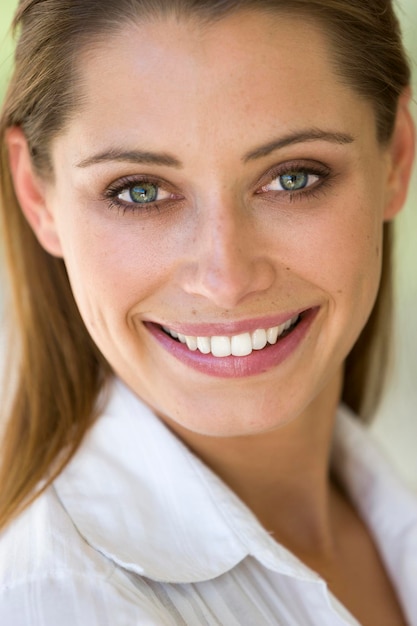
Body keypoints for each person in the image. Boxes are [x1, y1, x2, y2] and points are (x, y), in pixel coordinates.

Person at [0, 0, 415, 624]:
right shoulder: (58, 601)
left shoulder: (380, 503)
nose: (225, 280)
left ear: (397, 156)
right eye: (139, 191)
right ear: (39, 197)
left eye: (294, 178)